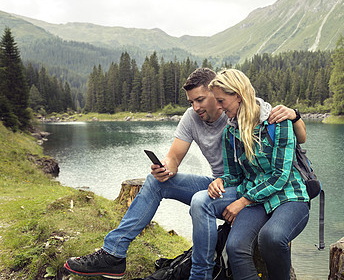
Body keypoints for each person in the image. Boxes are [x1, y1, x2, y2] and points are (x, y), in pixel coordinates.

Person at [64, 67, 306, 279]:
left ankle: (201, 272)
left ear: (217, 92)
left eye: (201, 99)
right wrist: (166, 168)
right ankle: (113, 254)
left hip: (245, 189)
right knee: (156, 182)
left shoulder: (248, 114)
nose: (196, 107)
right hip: (225, 184)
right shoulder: (203, 121)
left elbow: (297, 139)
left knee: (205, 204)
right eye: (191, 102)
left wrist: (295, 115)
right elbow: (175, 156)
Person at [189, 69, 310, 280]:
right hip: (257, 201)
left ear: (238, 95)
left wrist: (243, 201)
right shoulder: (230, 132)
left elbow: (280, 175)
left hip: (289, 196)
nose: (217, 106)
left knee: (272, 237)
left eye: (221, 100)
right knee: (236, 247)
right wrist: (220, 181)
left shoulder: (277, 122)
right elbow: (234, 176)